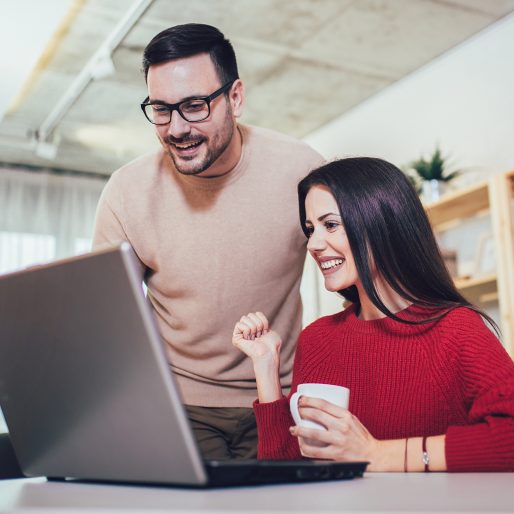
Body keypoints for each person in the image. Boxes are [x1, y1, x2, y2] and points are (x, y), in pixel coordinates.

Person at [92, 23, 324, 460]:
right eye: (161, 109)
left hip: (280, 398)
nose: (177, 128)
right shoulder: (127, 191)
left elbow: (353, 280)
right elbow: (108, 319)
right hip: (179, 406)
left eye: (195, 106)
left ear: (235, 97)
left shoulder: (301, 170)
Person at [233, 157, 514, 471]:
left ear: (381, 223)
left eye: (330, 225)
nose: (313, 244)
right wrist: (266, 368)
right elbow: (288, 468)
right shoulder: (317, 340)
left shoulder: (456, 329)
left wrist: (379, 453)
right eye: (311, 229)